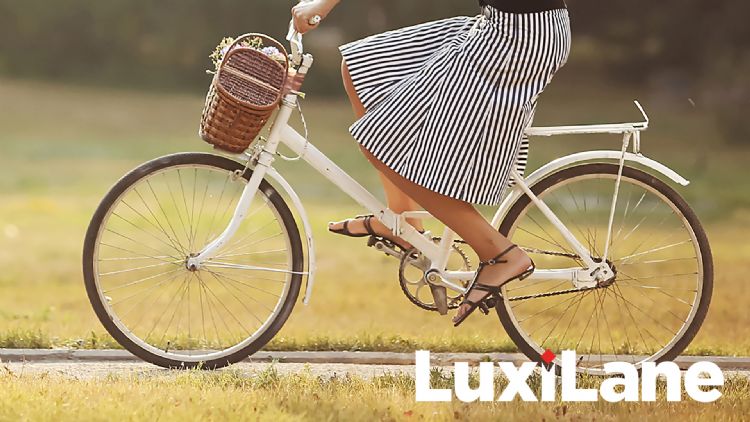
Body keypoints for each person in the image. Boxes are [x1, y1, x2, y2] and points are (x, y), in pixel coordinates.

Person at [292, 0, 571, 326]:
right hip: (503, 26)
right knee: (360, 65)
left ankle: (499, 252)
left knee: (383, 144)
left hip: (516, 39)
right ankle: (402, 220)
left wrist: (321, 5)